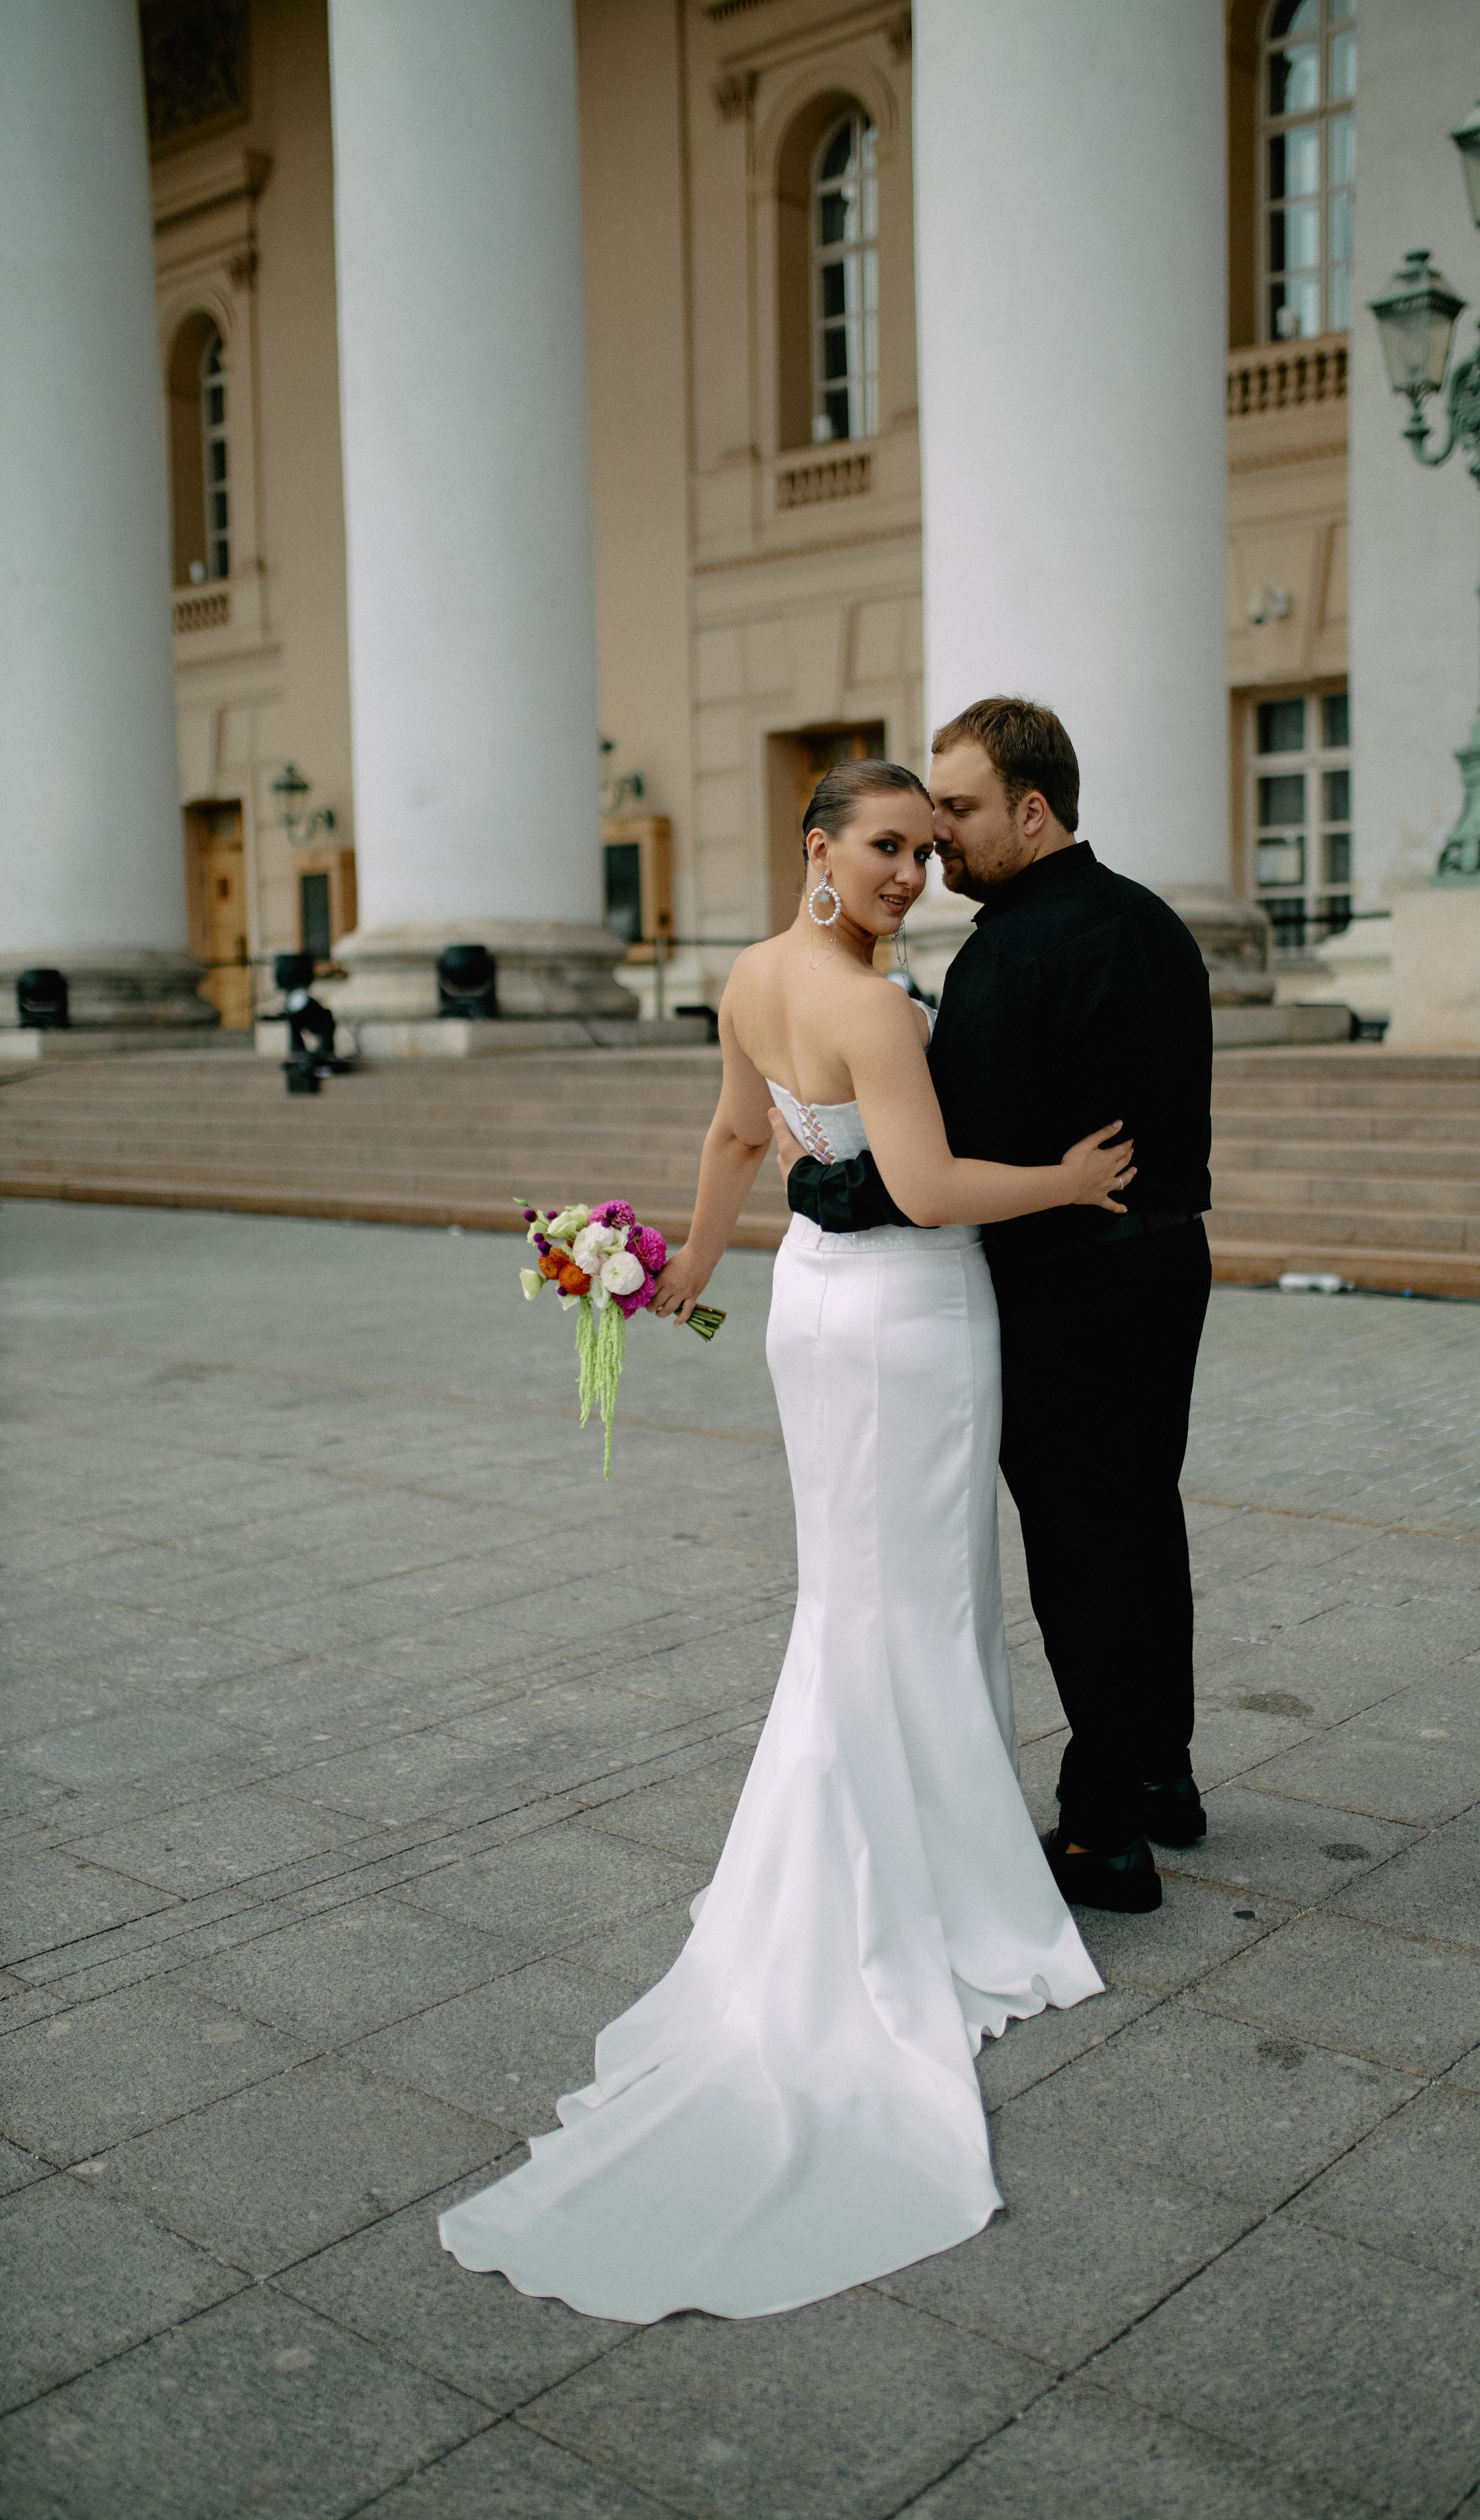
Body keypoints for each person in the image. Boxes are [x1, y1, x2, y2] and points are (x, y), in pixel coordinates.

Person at [438, 756, 1136, 2321]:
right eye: (882, 847)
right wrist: (1075, 1180)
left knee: (864, 1595)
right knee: (908, 1598)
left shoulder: (751, 977)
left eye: (920, 848)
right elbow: (928, 1184)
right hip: (903, 1316)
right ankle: (934, 1884)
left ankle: (909, 1851)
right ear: (818, 849)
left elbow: (735, 1136)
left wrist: (686, 1266)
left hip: (815, 1320)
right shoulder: (873, 1006)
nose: (906, 872)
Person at [776, 698, 1214, 1914]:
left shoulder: (1011, 955)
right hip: (1169, 1264)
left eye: (959, 813)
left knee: (1082, 1548)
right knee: (1141, 1519)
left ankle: (1104, 1831)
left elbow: (940, 1165)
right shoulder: (1157, 924)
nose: (939, 844)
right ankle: (1163, 1771)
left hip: (1069, 1283)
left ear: (1034, 809)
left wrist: (817, 1182)